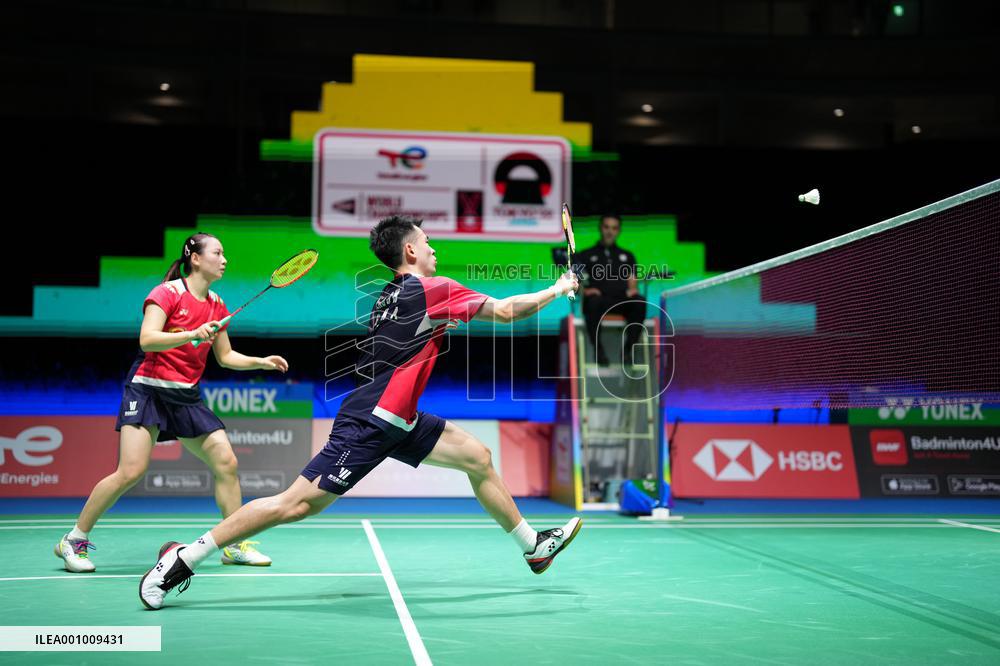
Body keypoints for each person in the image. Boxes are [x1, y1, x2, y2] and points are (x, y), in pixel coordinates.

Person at [139, 215, 583, 610]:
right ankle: (184, 558)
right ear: (410, 250)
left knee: (478, 458)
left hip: (399, 417)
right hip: (373, 421)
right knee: (294, 505)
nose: (434, 249)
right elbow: (506, 311)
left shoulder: (388, 296)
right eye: (427, 242)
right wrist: (559, 288)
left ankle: (533, 547)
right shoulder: (435, 289)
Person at [55, 232, 288, 573]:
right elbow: (147, 340)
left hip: (185, 395)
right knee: (130, 472)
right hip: (148, 389)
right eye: (218, 253)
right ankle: (73, 541)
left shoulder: (217, 304)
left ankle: (234, 545)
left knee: (227, 463)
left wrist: (260, 362)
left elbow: (224, 356)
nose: (224, 260)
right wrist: (192, 333)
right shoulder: (167, 294)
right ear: (195, 257)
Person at [577, 214, 646, 365]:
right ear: (600, 228)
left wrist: (632, 290)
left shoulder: (627, 256)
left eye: (614, 228)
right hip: (600, 300)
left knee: (640, 301)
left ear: (619, 231)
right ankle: (598, 351)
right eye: (606, 227)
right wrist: (584, 291)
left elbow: (632, 281)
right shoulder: (585, 254)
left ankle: (628, 351)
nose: (610, 231)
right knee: (592, 301)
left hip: (621, 300)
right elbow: (575, 280)